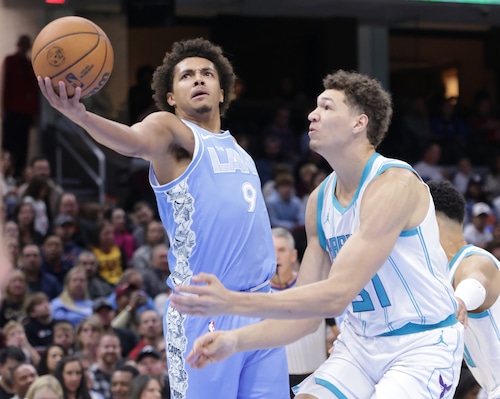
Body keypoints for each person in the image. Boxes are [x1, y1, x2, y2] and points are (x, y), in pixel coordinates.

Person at [170, 69, 465, 398]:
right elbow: (305, 319)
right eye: (315, 107)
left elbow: (336, 295)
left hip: (421, 343)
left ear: (359, 123)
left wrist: (231, 302)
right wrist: (235, 340)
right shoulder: (319, 201)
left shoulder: (393, 184)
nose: (312, 114)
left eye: (327, 107)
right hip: (358, 346)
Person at [38, 37, 289, 399]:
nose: (199, 79)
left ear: (223, 92)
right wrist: (81, 116)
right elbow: (132, 141)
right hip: (206, 311)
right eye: (187, 76)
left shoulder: (239, 150)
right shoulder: (172, 134)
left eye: (207, 74)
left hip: (262, 305)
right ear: (171, 98)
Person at [428, 180, 500, 398]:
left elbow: (476, 281)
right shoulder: (442, 272)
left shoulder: (475, 260)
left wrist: (460, 300)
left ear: (433, 221)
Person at [270, 227, 328, 398]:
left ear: (294, 255)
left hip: (316, 374)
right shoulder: (258, 295)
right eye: (272, 250)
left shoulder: (314, 287)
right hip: (278, 380)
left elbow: (335, 326)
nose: (276, 256)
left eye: (281, 250)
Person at [1, 35, 39, 176]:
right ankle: (6, 172)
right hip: (11, 109)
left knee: (23, 145)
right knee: (9, 144)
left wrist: (35, 113)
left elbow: (35, 92)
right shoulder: (10, 61)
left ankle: (19, 173)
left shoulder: (30, 65)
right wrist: (3, 108)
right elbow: (4, 85)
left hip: (26, 111)